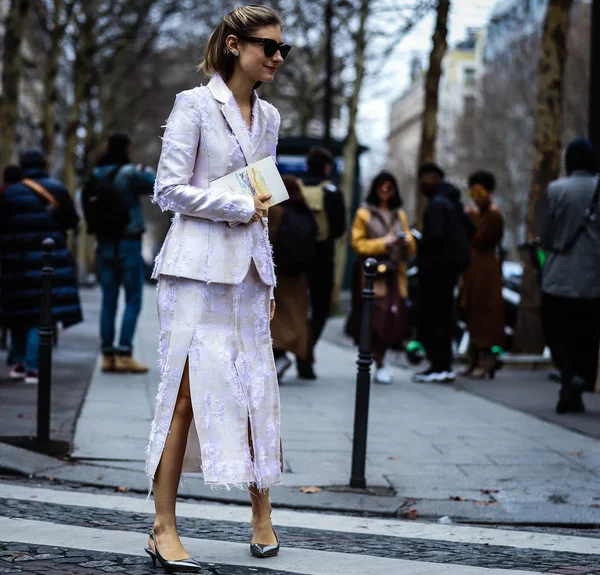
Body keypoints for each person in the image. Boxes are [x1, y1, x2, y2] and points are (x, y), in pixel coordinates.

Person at [145, 6, 288, 571]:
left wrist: (268, 273)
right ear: (234, 45)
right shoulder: (194, 106)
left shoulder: (269, 117)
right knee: (183, 396)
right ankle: (162, 527)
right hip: (196, 273)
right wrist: (233, 205)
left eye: (282, 49)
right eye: (268, 47)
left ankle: (261, 515)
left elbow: (263, 202)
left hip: (249, 277)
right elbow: (168, 188)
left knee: (257, 392)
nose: (277, 57)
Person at [0, 150, 82, 384]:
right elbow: (71, 222)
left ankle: (17, 362)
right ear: (45, 164)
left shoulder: (10, 192)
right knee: (39, 314)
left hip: (15, 261)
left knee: (17, 311)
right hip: (47, 260)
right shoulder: (56, 189)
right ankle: (33, 368)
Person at [539, 138, 600, 414]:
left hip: (559, 275)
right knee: (588, 332)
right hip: (594, 276)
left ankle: (568, 378)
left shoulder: (556, 190)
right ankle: (579, 378)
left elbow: (546, 234)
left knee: (558, 332)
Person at [88, 133, 156, 374]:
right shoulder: (129, 173)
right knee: (133, 299)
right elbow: (156, 183)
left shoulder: (96, 174)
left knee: (108, 301)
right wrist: (143, 168)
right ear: (127, 150)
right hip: (128, 243)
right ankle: (125, 353)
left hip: (104, 244)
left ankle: (107, 355)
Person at [350, 172, 415, 384]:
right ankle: (378, 361)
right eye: (381, 187)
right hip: (373, 275)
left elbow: (412, 245)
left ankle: (381, 358)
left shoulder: (399, 215)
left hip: (395, 274)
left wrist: (405, 243)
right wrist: (383, 243)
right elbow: (357, 244)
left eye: (389, 187)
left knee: (393, 320)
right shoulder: (364, 214)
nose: (385, 191)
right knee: (376, 319)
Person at [413, 163, 473, 384]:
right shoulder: (453, 202)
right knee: (444, 317)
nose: (421, 183)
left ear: (434, 178)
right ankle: (443, 365)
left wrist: (423, 246)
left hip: (435, 271)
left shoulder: (437, 204)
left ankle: (438, 365)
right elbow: (470, 228)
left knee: (433, 318)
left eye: (424, 178)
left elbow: (435, 237)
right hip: (449, 271)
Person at [300, 147, 346, 379]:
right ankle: (305, 356)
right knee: (320, 308)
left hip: (292, 256)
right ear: (327, 167)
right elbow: (339, 228)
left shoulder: (294, 187)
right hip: (322, 255)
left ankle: (293, 352)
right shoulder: (331, 191)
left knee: (294, 306)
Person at [269, 175, 318, 379]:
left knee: (277, 318)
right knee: (297, 318)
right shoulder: (306, 212)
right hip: (299, 276)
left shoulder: (276, 210)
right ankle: (302, 360)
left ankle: (279, 356)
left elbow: (267, 239)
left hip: (278, 273)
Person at [459, 171, 505, 379]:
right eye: (473, 192)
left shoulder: (493, 215)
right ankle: (474, 358)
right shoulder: (475, 214)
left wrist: (469, 222)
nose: (476, 197)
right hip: (471, 271)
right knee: (471, 313)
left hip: (486, 272)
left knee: (486, 315)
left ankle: (486, 359)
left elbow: (481, 239)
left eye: (481, 192)